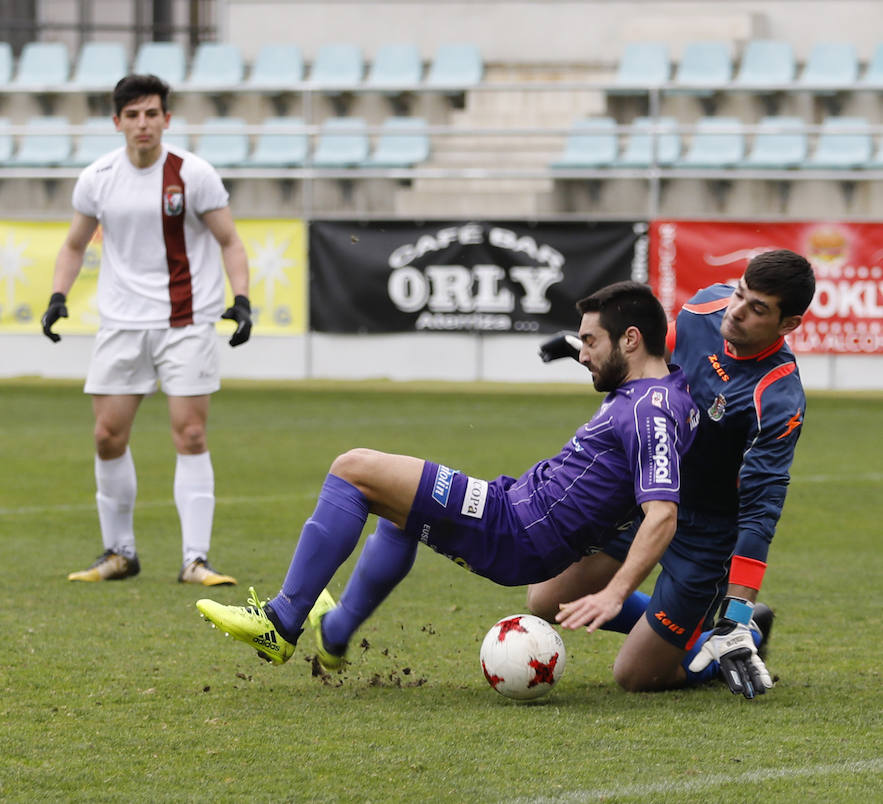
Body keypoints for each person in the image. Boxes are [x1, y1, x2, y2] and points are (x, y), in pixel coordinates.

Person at [195, 281, 700, 670]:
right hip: (517, 511)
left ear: (631, 339)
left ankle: (282, 622)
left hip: (514, 527)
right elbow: (635, 387)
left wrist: (614, 592)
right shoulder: (659, 389)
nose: (585, 353)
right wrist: (573, 345)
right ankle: (336, 631)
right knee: (400, 513)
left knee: (354, 471)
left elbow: (662, 514)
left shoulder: (650, 411)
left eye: (591, 342)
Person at [528, 249, 816, 699]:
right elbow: (654, 354)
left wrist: (736, 615)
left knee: (636, 677)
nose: (736, 311)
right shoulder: (704, 306)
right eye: (740, 293)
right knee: (546, 602)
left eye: (757, 308)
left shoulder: (777, 398)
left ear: (787, 325)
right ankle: (675, 630)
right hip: (647, 495)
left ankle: (744, 636)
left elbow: (760, 512)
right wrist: (588, 346)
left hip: (705, 534)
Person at [40, 73, 252, 586]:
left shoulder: (193, 174)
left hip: (186, 322)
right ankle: (119, 553)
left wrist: (241, 299)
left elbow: (230, 241)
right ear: (117, 122)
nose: (143, 124)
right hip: (121, 323)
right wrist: (57, 296)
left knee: (192, 434)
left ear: (166, 120)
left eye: (152, 114)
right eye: (132, 115)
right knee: (107, 436)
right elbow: (74, 244)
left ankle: (195, 559)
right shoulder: (97, 177)